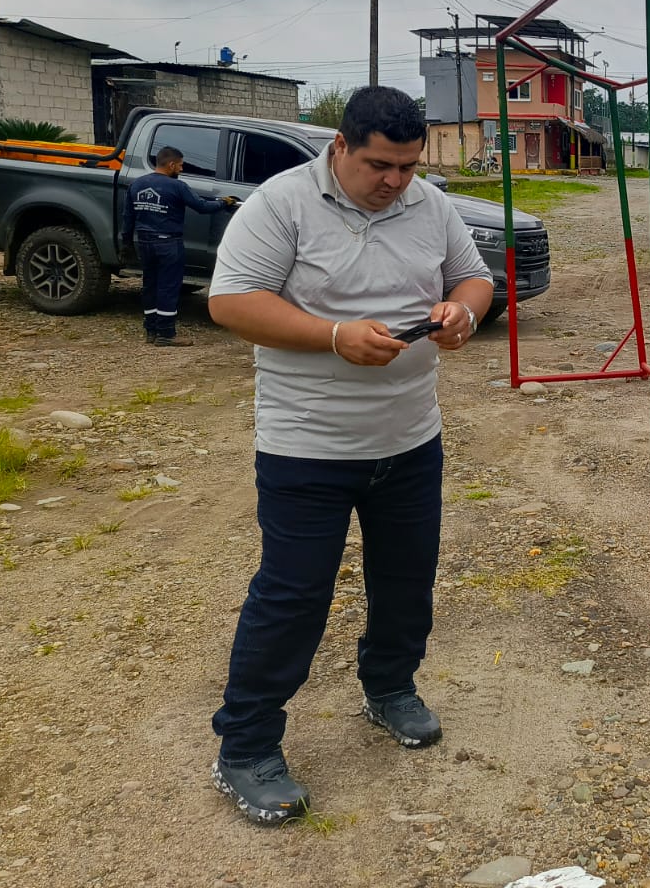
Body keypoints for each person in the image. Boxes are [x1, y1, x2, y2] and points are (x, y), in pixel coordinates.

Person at [204, 86, 495, 825]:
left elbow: (474, 278)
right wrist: (334, 336)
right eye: (378, 165)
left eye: (407, 165)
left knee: (406, 582)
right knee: (293, 596)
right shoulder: (283, 204)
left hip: (410, 438)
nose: (395, 181)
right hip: (308, 444)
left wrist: (462, 311)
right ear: (341, 146)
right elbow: (231, 301)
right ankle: (245, 747)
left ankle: (390, 688)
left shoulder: (429, 205)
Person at [122, 146, 235, 346]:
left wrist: (127, 243)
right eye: (180, 165)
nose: (182, 169)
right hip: (168, 244)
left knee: (150, 285)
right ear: (171, 164)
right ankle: (166, 334)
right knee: (168, 287)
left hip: (145, 243)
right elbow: (202, 207)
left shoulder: (137, 185)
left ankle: (151, 330)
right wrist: (224, 202)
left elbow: (128, 217)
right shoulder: (177, 187)